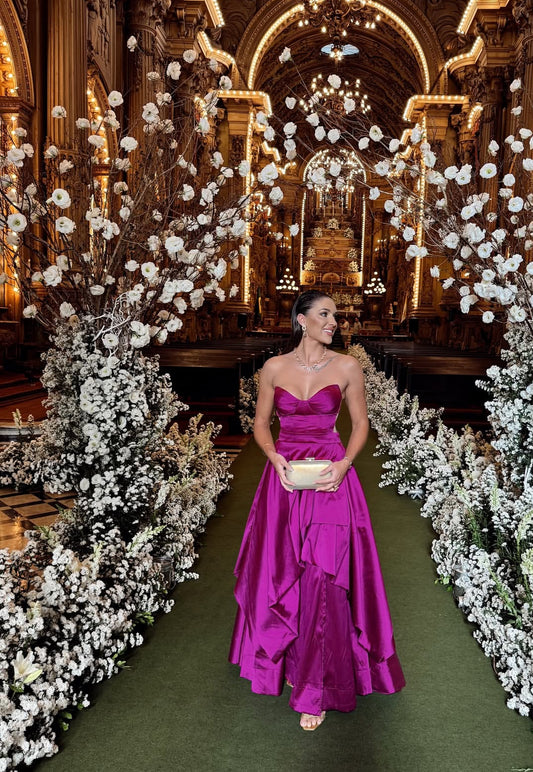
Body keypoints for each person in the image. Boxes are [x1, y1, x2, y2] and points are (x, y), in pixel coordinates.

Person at [228, 290, 405, 731]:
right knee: (281, 570)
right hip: (285, 480)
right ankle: (285, 661)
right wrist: (275, 460)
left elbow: (361, 424)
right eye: (325, 315)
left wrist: (344, 465)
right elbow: (261, 423)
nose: (333, 323)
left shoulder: (347, 366)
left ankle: (317, 686)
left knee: (325, 576)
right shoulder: (273, 368)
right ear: (301, 319)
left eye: (335, 316)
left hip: (331, 478)